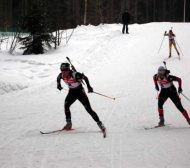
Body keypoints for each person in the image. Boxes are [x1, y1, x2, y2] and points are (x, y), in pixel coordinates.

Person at [57, 62, 106, 132]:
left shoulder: (75, 75)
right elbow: (58, 78)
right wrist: (58, 85)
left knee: (88, 109)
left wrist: (89, 87)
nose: (63, 72)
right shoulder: (61, 75)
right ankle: (68, 124)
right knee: (66, 105)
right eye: (62, 70)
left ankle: (100, 124)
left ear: (68, 70)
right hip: (71, 92)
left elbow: (85, 78)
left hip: (80, 93)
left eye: (65, 71)